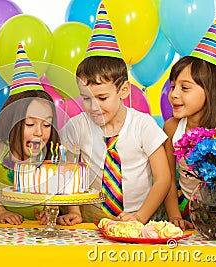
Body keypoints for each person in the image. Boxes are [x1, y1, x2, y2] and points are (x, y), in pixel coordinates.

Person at [60, 3, 171, 224]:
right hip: (92, 219)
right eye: (86, 99)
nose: (94, 107)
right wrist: (74, 212)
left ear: (123, 90)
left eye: (102, 98)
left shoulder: (143, 125)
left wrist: (140, 217)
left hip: (140, 218)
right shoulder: (76, 126)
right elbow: (69, 173)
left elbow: (163, 179)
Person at [0, 44, 82, 225]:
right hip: (2, 229)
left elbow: (65, 183)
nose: (39, 132)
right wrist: (0, 212)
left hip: (38, 231)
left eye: (46, 124)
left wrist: (66, 212)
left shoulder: (52, 154)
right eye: (30, 123)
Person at [163, 10, 216, 230]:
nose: (174, 94)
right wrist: (174, 217)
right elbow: (169, 181)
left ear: (210, 91)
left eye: (184, 88)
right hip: (184, 209)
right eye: (173, 87)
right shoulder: (172, 128)